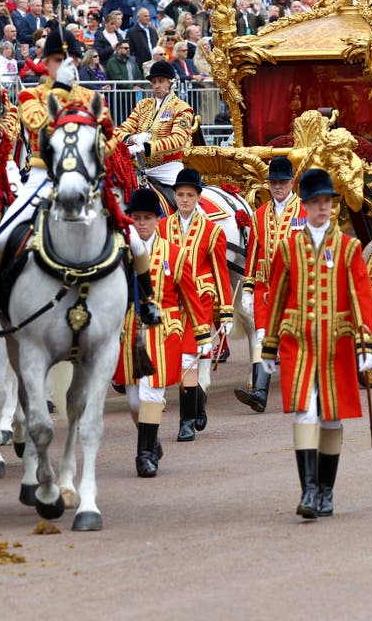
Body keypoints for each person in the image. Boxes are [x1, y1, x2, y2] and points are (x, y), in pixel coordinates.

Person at [255, 168, 372, 520]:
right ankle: (308, 491)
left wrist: (365, 343)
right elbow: (276, 297)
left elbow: (361, 298)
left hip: (336, 343)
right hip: (299, 342)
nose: (324, 208)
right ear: (305, 205)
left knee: (331, 418)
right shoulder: (289, 248)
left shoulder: (349, 247)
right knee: (305, 410)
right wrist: (269, 343)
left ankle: (326, 490)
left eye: (328, 201)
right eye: (317, 202)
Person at [114, 188, 199, 477]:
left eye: (147, 218)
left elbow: (190, 296)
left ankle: (145, 455)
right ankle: (151, 439)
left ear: (157, 219)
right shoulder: (120, 253)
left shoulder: (174, 254)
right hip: (130, 333)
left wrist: (200, 334)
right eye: (136, 218)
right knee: (134, 400)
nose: (141, 223)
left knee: (152, 394)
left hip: (163, 333)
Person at [158, 168, 231, 442]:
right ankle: (197, 404)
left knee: (189, 359)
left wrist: (225, 313)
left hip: (199, 304)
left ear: (198, 197)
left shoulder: (212, 231)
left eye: (190, 195)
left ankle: (186, 421)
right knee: (176, 361)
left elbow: (221, 273)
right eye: (180, 195)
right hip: (172, 303)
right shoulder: (163, 228)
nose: (185, 199)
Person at [235, 156, 305, 413]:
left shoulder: (305, 211)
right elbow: (253, 252)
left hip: (295, 288)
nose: (277, 187)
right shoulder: (259, 215)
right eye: (274, 182)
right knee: (264, 339)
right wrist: (248, 288)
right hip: (266, 290)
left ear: (292, 182)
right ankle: (260, 393)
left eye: (282, 182)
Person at [114, 60, 195, 186]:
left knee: (179, 201)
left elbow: (178, 139)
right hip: (139, 168)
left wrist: (146, 147)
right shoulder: (143, 105)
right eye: (154, 82)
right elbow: (119, 131)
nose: (157, 85)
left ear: (171, 82)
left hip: (168, 169)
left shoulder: (182, 108)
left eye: (161, 81)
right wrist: (132, 138)